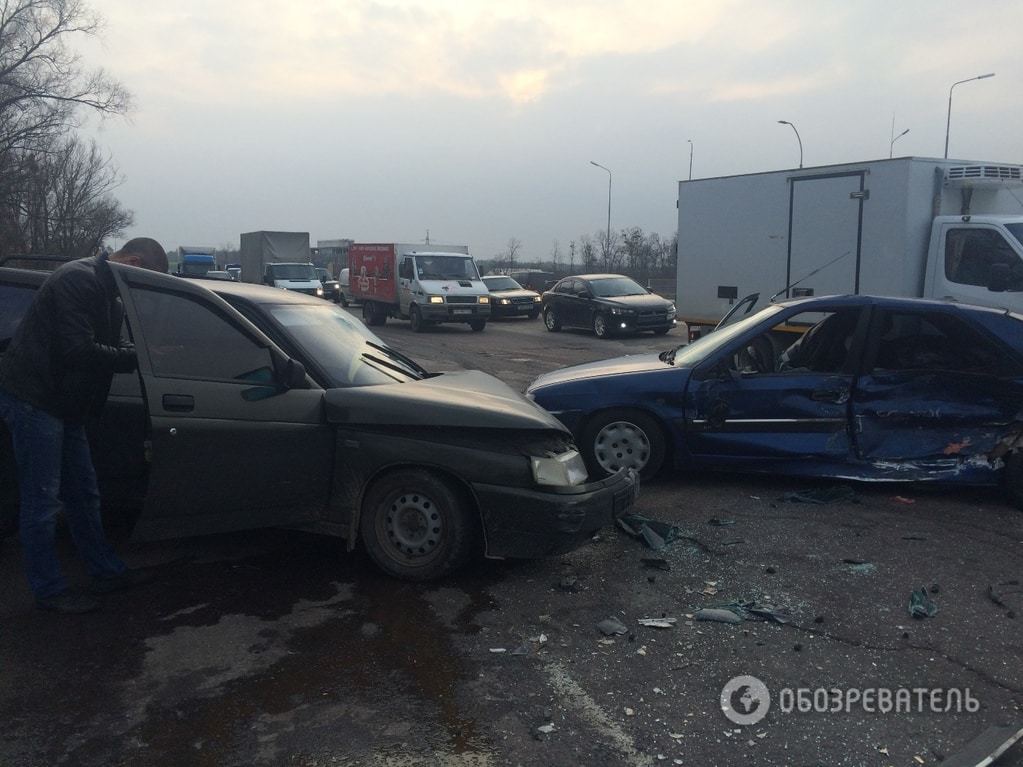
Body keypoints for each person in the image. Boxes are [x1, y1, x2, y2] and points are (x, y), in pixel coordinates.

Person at [0, 238, 169, 613]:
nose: (139, 288)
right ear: (133, 261)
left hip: (66, 405)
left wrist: (140, 352)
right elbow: (78, 350)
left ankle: (105, 571)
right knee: (42, 502)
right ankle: (49, 591)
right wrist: (134, 359)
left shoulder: (108, 291)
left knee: (84, 494)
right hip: (36, 399)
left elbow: (107, 343)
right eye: (144, 277)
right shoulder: (78, 280)